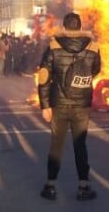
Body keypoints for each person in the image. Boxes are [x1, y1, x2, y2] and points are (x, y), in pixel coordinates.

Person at [36, 12, 102, 201]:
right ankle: (83, 186)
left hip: (60, 104)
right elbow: (95, 70)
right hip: (82, 104)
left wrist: (45, 106)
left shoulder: (54, 46)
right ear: (80, 27)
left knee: (56, 145)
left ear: (64, 28)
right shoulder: (93, 46)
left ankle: (50, 186)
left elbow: (43, 78)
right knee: (80, 145)